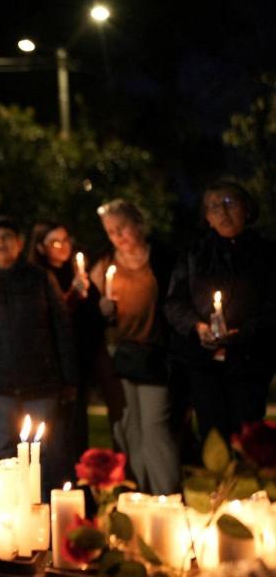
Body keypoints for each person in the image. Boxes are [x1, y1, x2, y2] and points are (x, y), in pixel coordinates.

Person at [0, 216, 77, 498]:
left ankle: (47, 514)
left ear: (19, 243)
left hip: (41, 382)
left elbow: (61, 326)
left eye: (6, 236)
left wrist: (69, 377)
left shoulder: (39, 278)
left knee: (47, 454)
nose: (0, 243)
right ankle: (7, 515)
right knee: (3, 453)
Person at [165, 181, 276, 445]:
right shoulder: (195, 253)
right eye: (215, 207)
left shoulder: (267, 254)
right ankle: (220, 486)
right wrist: (197, 327)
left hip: (250, 362)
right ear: (207, 217)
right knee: (212, 436)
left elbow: (273, 306)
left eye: (230, 204)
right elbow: (175, 302)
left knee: (248, 437)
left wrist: (245, 332)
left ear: (247, 209)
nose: (223, 213)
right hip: (203, 363)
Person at [90, 199, 178, 494]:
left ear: (137, 223)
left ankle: (167, 495)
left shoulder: (163, 259)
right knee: (129, 430)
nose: (118, 236)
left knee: (155, 428)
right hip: (119, 357)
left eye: (122, 227)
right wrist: (99, 309)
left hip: (155, 355)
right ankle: (139, 495)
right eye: (111, 231)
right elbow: (87, 311)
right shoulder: (104, 264)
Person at [27, 222, 105, 476]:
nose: (63, 247)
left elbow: (93, 316)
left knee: (78, 429)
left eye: (66, 241)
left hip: (80, 360)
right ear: (40, 247)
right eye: (55, 242)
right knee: (57, 435)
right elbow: (51, 319)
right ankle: (58, 484)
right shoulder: (37, 278)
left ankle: (82, 485)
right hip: (51, 366)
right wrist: (72, 296)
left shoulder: (76, 274)